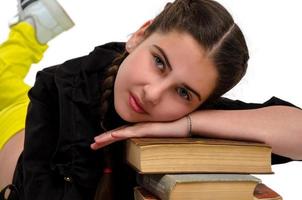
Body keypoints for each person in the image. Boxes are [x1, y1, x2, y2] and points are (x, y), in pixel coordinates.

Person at [0, 0, 301, 199]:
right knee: (4, 78)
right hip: (12, 130)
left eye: (183, 92)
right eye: (159, 62)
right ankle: (30, 30)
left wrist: (186, 125)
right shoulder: (62, 84)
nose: (153, 94)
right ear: (140, 36)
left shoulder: (187, 113)